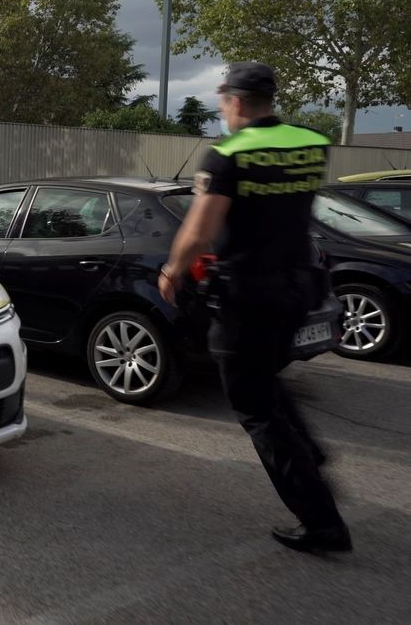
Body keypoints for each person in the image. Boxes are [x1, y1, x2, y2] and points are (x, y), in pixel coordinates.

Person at [159, 62, 349, 553]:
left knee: (253, 405)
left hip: (248, 293)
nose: (223, 111)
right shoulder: (310, 141)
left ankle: (321, 519)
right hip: (299, 286)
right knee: (265, 376)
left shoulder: (228, 153)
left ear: (236, 102)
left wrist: (171, 271)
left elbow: (199, 230)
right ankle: (306, 452)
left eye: (223, 102)